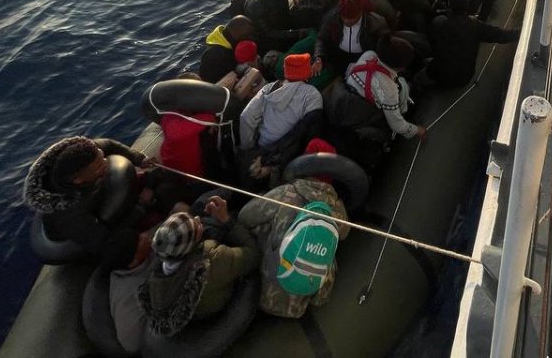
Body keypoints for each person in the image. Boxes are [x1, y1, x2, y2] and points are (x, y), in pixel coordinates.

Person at [23, 136, 160, 269]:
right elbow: (106, 244)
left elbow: (109, 144)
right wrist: (142, 206)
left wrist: (138, 159)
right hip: (79, 234)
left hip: (87, 194)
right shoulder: (68, 214)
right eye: (99, 165)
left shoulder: (87, 153)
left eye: (102, 157)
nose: (106, 162)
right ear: (78, 180)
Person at [139, 197, 261, 336]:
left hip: (196, 311)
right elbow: (254, 254)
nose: (197, 218)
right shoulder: (212, 260)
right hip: (217, 308)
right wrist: (227, 220)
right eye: (194, 225)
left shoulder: (162, 262)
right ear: (193, 244)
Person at [237, 178, 349, 319]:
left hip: (267, 299)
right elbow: (344, 232)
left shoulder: (286, 193)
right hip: (305, 301)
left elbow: (244, 217)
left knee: (261, 228)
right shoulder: (337, 208)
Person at [239, 53, 325, 183]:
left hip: (262, 149)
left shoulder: (269, 88)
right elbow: (308, 133)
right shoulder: (313, 95)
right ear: (306, 71)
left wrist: (250, 150)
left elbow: (246, 117)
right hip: (286, 158)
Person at [422, 0, 520, 89]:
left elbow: (430, 43)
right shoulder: (475, 25)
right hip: (465, 78)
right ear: (467, 5)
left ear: (449, 5)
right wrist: (519, 32)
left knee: (419, 76)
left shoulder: (439, 22)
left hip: (442, 76)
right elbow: (500, 35)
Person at [345, 37, 426, 141]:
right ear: (401, 67)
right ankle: (404, 112)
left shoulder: (369, 55)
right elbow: (396, 125)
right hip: (366, 111)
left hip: (352, 93)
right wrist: (417, 130)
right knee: (403, 85)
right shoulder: (389, 89)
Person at [313, 0, 391, 78]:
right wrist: (319, 57)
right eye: (344, 17)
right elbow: (322, 39)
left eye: (352, 18)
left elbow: (384, 47)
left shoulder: (376, 23)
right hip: (337, 56)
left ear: (361, 12)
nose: (347, 21)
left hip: (362, 60)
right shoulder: (332, 17)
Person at [243, 0, 309, 54]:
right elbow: (267, 32)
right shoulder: (255, 4)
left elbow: (286, 15)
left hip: (282, 29)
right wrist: (295, 33)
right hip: (266, 39)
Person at [198, 15, 256, 83]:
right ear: (235, 34)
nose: (251, 39)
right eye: (247, 36)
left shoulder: (228, 40)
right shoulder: (215, 57)